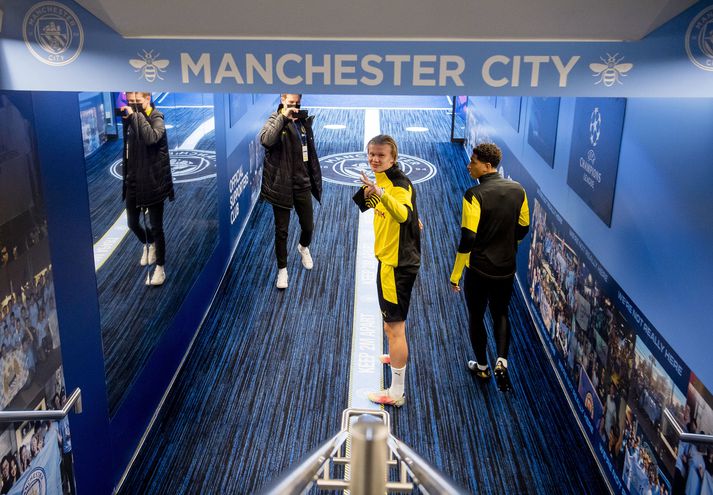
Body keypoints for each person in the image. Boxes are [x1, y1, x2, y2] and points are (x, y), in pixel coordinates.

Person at [449, 143, 530, 392]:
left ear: (486, 165)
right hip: (506, 269)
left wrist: (455, 274)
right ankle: (502, 361)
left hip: (479, 269)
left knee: (476, 317)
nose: (468, 165)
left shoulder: (474, 195)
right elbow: (523, 226)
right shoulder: (518, 190)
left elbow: (468, 238)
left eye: (473, 161)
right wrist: (507, 245)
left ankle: (483, 367)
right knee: (501, 313)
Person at [353, 135, 421, 407]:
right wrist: (369, 194)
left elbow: (403, 213)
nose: (374, 159)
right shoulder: (383, 178)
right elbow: (366, 205)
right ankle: (395, 356)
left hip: (396, 265)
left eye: (380, 155)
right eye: (371, 154)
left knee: (395, 328)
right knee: (390, 321)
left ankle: (396, 393)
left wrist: (380, 194)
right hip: (392, 259)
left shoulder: (397, 184)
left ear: (394, 158)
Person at [259, 94, 322, 289]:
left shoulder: (303, 122)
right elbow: (266, 140)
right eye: (290, 104)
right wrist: (283, 117)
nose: (294, 107)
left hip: (302, 183)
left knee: (308, 227)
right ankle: (282, 270)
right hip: (282, 185)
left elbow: (309, 152)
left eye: (297, 104)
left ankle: (303, 247)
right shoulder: (274, 119)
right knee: (282, 232)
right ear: (282, 99)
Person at [120, 91, 174, 286]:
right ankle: (148, 243)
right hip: (133, 181)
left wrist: (136, 116)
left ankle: (160, 268)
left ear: (148, 99)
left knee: (156, 227)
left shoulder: (157, 118)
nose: (133, 105)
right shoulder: (133, 118)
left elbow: (151, 138)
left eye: (137, 102)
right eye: (131, 102)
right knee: (132, 223)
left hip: (153, 183)